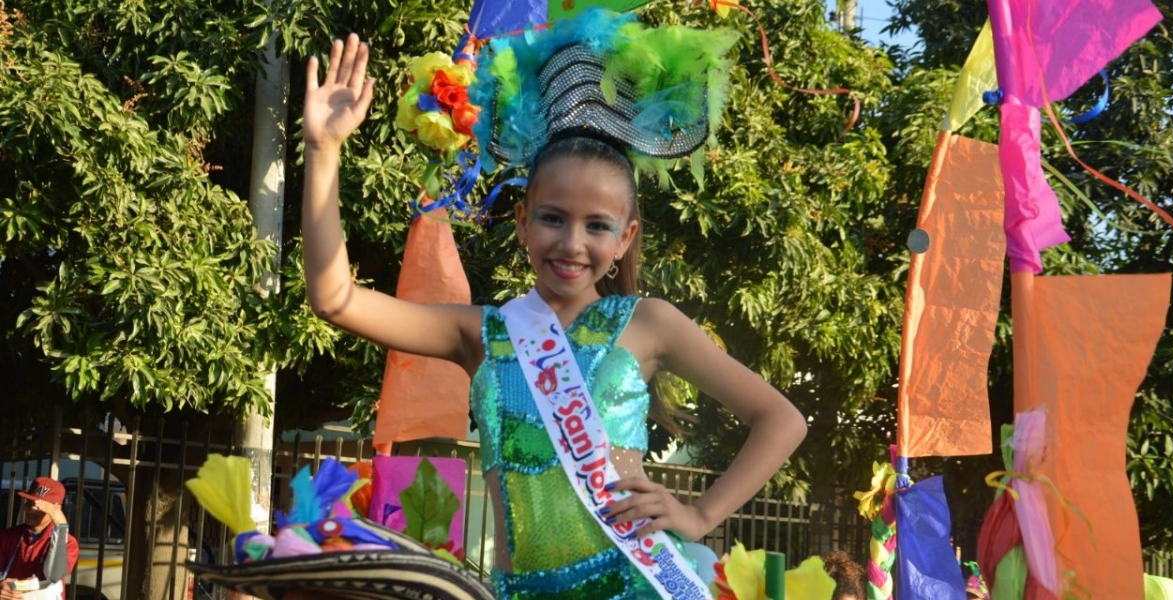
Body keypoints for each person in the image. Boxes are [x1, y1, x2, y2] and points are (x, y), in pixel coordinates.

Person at [301, 17, 807, 599]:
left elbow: (782, 419)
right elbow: (335, 299)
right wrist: (323, 149)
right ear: (522, 222)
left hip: (632, 581)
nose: (571, 244)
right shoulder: (483, 333)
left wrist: (699, 515)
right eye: (551, 218)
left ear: (625, 238)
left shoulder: (648, 324)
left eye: (597, 226)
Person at [0, 477, 79, 600]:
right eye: (28, 504)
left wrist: (61, 527)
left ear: (56, 508)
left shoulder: (68, 542)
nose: (30, 510)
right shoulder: (7, 536)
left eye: (38, 506)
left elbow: (54, 575)